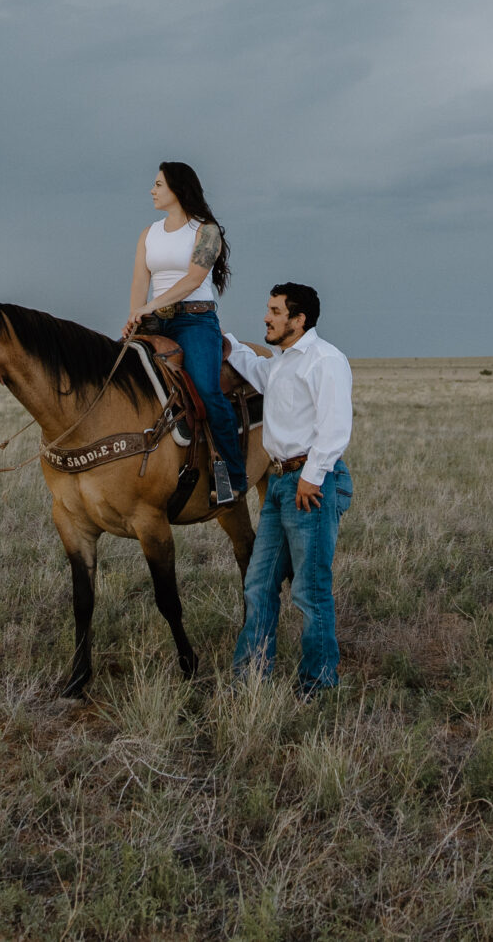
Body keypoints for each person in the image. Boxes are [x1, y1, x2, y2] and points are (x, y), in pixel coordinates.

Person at [223, 282, 353, 695]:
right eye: (269, 309)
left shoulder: (325, 360)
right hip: (280, 483)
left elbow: (335, 427)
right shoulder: (280, 363)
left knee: (310, 591)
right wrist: (220, 338)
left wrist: (312, 477)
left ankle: (318, 683)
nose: (266, 317)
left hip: (308, 485)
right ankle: (251, 677)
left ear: (298, 320)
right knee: (259, 584)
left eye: (276, 311)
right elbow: (253, 367)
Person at [125, 160, 247, 505]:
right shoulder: (148, 234)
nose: (152, 190)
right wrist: (136, 314)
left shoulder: (206, 231)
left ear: (178, 189)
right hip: (153, 321)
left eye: (159, 185)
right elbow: (140, 281)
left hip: (195, 320)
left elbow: (194, 279)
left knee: (208, 391)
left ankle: (233, 477)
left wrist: (150, 306)